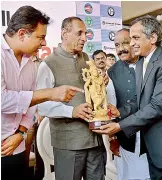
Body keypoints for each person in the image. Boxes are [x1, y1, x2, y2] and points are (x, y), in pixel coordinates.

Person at [1, 6, 83, 180]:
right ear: (22, 34)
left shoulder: (30, 64)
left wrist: (21, 133)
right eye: (41, 37)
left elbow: (31, 105)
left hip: (17, 144)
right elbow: (2, 100)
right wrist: (49, 93)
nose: (44, 43)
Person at [37, 17, 107, 180]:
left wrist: (102, 82)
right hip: (68, 144)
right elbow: (41, 105)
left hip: (95, 139)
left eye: (86, 33)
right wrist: (72, 111)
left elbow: (95, 90)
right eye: (79, 33)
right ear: (64, 33)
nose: (84, 38)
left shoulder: (87, 59)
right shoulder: (48, 64)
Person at [93, 15, 162, 180]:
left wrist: (119, 126)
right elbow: (139, 99)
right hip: (140, 143)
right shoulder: (144, 62)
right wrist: (118, 113)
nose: (130, 44)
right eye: (128, 40)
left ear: (152, 38)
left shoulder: (156, 62)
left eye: (134, 38)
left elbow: (156, 106)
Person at [108, 28, 150, 180]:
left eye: (125, 43)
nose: (121, 49)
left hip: (151, 138)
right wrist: (112, 139)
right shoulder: (112, 72)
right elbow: (110, 106)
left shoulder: (149, 65)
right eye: (117, 45)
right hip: (125, 139)